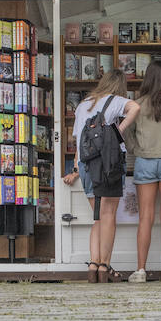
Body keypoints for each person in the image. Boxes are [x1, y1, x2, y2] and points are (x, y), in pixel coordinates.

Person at [61, 69, 139, 282]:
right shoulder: (116, 101)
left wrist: (77, 169)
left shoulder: (83, 104)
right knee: (108, 216)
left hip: (87, 167)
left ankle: (93, 265)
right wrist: (118, 131)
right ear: (120, 86)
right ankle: (104, 266)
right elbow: (136, 107)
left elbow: (79, 143)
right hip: (110, 166)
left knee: (97, 218)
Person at [126, 60, 161, 283]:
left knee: (145, 218)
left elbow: (126, 133)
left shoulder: (136, 105)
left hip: (145, 162)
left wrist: (135, 148)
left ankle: (140, 270)